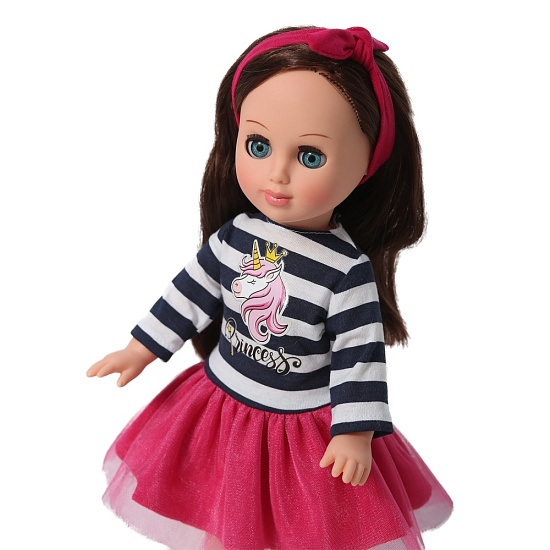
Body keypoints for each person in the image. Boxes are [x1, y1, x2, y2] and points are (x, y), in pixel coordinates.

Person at [87, 25, 453, 550]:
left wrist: (354, 432)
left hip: (299, 430)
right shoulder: (237, 235)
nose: (276, 174)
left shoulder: (345, 270)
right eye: (258, 146)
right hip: (222, 404)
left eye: (310, 156)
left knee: (300, 529)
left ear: (366, 166)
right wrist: (140, 347)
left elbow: (359, 355)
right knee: (220, 513)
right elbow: (191, 291)